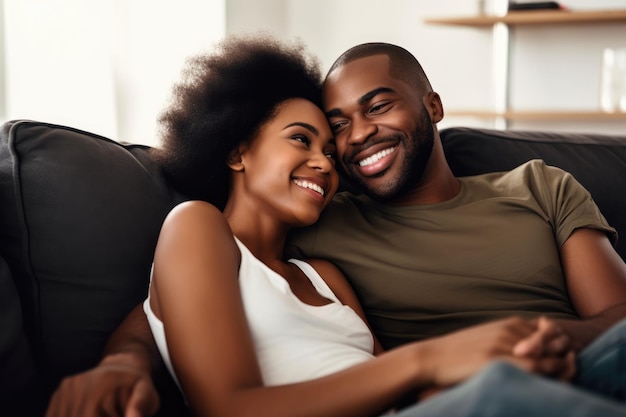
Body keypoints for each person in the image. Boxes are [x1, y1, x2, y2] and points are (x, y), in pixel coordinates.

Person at [45, 39, 626, 416]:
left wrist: (505, 353)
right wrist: (122, 362)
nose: (334, 156)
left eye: (376, 109)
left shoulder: (325, 272)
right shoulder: (214, 227)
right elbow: (160, 314)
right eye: (312, 136)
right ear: (237, 150)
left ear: (432, 107)